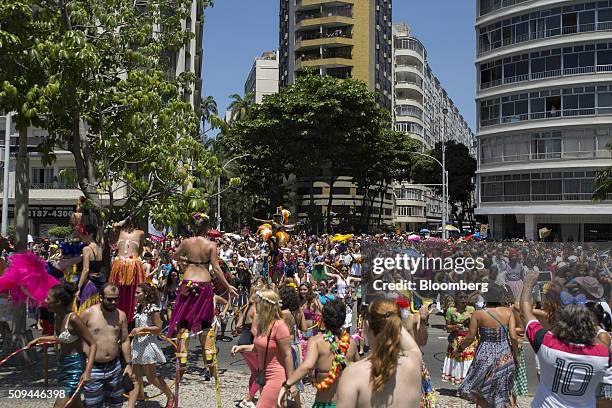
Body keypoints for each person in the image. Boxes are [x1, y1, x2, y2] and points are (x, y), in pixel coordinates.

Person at [521, 271, 609, 408]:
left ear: (562, 321)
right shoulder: (603, 354)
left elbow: (525, 313)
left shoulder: (547, 344)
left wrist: (527, 286)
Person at [168, 213, 237, 381]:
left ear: (193, 227)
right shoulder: (211, 245)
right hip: (204, 283)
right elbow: (217, 268)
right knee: (205, 322)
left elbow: (174, 257)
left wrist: (190, 261)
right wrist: (228, 286)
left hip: (188, 281)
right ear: (207, 228)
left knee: (184, 322)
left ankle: (183, 356)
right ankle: (208, 354)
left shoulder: (186, 242)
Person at [335, 298, 423, 408]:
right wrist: (394, 317)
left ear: (366, 325)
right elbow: (413, 349)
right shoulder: (413, 363)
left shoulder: (353, 374)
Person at [278, 299, 358, 408]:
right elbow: (361, 369)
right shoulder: (351, 343)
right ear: (343, 320)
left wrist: (287, 385)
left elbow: (307, 365)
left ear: (323, 319)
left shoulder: (316, 341)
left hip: (324, 404)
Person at [27, 283, 97, 408]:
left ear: (58, 301)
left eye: (48, 298)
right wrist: (39, 339)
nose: (45, 300)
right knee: (75, 404)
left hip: (75, 367)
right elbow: (61, 338)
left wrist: (87, 371)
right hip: (62, 364)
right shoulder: (57, 316)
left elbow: (93, 344)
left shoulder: (74, 318)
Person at [456, 284, 518, 408]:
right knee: (504, 391)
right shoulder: (508, 312)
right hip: (504, 355)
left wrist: (459, 349)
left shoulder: (478, 314)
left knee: (480, 392)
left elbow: (470, 337)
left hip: (484, 355)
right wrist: (516, 355)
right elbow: (513, 336)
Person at [231, 290, 296, 408]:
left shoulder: (280, 326)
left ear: (266, 306)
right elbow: (258, 348)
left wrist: (291, 383)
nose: (256, 308)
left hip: (276, 376)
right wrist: (241, 348)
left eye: (258, 304)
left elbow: (288, 355)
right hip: (263, 376)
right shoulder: (263, 324)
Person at [80, 283, 133, 408]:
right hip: (92, 368)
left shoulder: (121, 315)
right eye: (109, 299)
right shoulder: (88, 314)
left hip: (114, 367)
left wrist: (129, 364)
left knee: (116, 404)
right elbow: (75, 338)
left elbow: (125, 340)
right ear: (101, 297)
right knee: (93, 404)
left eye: (116, 299)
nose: (113, 302)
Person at [127, 284, 174, 408]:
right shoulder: (139, 307)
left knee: (151, 378)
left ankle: (170, 396)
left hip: (147, 345)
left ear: (146, 294)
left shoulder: (152, 308)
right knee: (135, 378)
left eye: (138, 293)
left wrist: (142, 328)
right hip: (137, 345)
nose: (135, 295)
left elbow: (158, 328)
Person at [109, 219, 146, 323]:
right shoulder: (140, 233)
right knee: (131, 294)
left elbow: (112, 240)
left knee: (120, 292)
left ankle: (123, 318)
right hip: (132, 264)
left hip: (120, 263)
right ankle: (128, 319)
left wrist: (115, 226)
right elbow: (139, 251)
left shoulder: (119, 232)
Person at [442, 292, 477, 385]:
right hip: (456, 339)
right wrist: (455, 327)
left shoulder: (471, 309)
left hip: (469, 339)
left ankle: (468, 385)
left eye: (465, 297)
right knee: (459, 363)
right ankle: (461, 385)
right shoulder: (450, 311)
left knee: (469, 362)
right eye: (461, 297)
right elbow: (447, 327)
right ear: (456, 298)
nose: (463, 300)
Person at [77, 225, 103, 314]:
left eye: (84, 234)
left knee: (85, 312)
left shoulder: (86, 249)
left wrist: (79, 288)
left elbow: (86, 269)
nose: (81, 236)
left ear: (90, 235)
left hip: (89, 284)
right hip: (99, 283)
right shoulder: (100, 247)